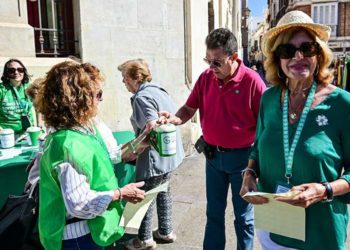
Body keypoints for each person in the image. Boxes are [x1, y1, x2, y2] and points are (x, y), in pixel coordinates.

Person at [240, 10, 350, 250]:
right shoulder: (269, 99)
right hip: (274, 225)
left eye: (307, 48)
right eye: (287, 51)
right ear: (277, 59)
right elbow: (258, 148)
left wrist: (323, 190)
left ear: (319, 54)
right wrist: (248, 173)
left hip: (321, 232)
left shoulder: (342, 103)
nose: (298, 56)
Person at [158, 28, 266, 250]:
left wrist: (258, 166)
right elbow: (189, 108)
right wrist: (175, 119)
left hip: (243, 161)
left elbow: (267, 125)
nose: (211, 67)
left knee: (244, 218)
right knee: (213, 213)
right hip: (213, 158)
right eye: (208, 61)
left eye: (216, 62)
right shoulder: (206, 78)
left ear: (234, 57)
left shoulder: (253, 82)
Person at [35, 61, 147, 250]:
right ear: (80, 98)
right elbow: (79, 205)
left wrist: (141, 139)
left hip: (86, 233)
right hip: (78, 238)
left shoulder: (77, 132)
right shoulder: (67, 143)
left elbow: (106, 156)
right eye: (98, 94)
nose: (100, 100)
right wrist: (119, 193)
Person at [117, 59, 185, 250]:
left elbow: (151, 127)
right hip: (170, 154)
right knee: (163, 190)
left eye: (125, 78)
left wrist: (133, 149)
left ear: (135, 78)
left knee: (144, 196)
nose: (123, 82)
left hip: (155, 157)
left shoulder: (142, 97)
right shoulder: (158, 89)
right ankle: (165, 230)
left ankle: (144, 239)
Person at [0, 59, 35, 135]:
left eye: (20, 69)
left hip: (28, 132)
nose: (16, 72)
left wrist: (40, 125)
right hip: (6, 134)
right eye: (11, 70)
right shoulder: (1, 89)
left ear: (24, 71)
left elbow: (39, 106)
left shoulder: (30, 87)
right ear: (6, 73)